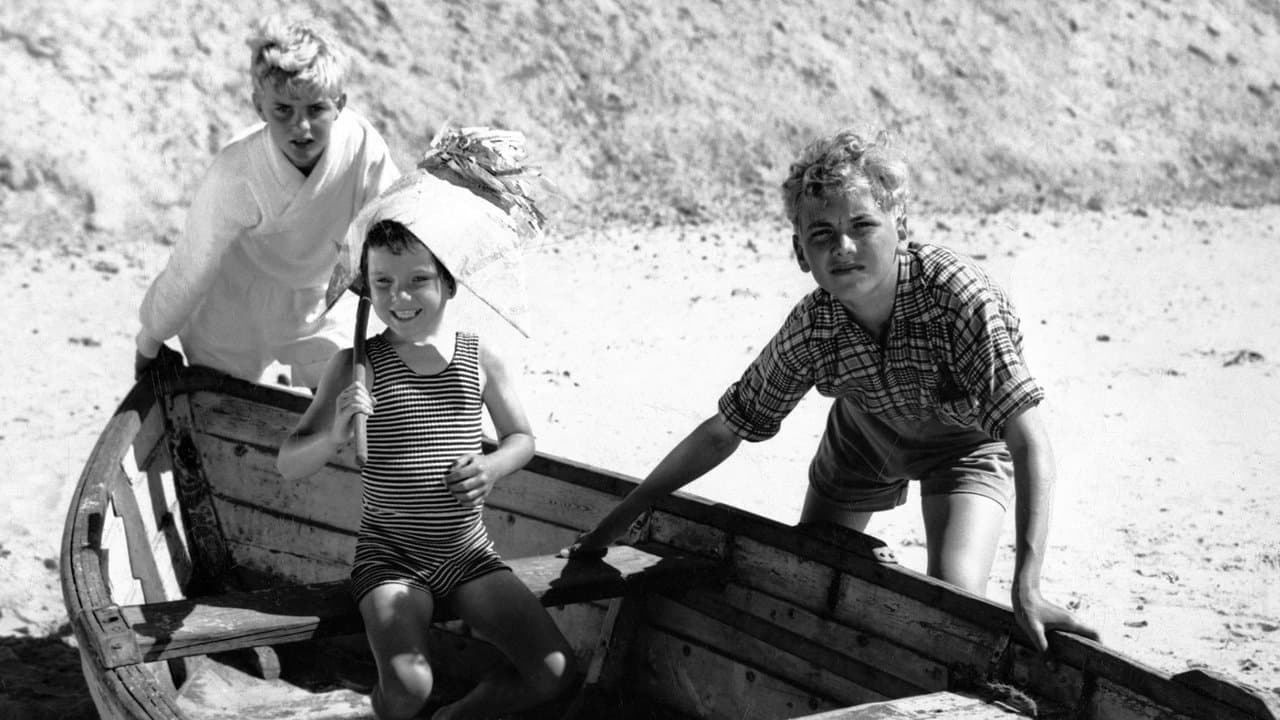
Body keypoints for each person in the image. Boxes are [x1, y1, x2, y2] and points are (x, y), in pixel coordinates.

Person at [570, 128, 1099, 654]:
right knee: (812, 575)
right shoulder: (814, 326)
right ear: (801, 253)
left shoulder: (957, 295)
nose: (842, 248)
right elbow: (724, 431)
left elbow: (1029, 440)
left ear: (902, 228)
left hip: (964, 447)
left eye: (862, 226)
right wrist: (614, 524)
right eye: (821, 235)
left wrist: (1028, 585)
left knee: (952, 605)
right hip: (862, 439)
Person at [277, 150, 573, 719]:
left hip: (466, 552)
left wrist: (492, 466)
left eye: (419, 280)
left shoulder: (480, 357)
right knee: (409, 687)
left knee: (556, 673)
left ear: (450, 283)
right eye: (384, 283)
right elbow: (288, 463)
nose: (401, 298)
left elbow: (521, 438)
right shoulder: (355, 365)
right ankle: (373, 709)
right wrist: (335, 433)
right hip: (389, 556)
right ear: (367, 289)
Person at [134, 15, 400, 388]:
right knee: (218, 398)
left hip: (319, 296)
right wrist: (150, 339)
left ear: (339, 104)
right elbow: (193, 263)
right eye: (283, 110)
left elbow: (394, 224)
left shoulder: (361, 147)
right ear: (260, 106)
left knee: (340, 393)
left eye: (316, 110)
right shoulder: (237, 171)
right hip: (239, 297)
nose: (301, 127)